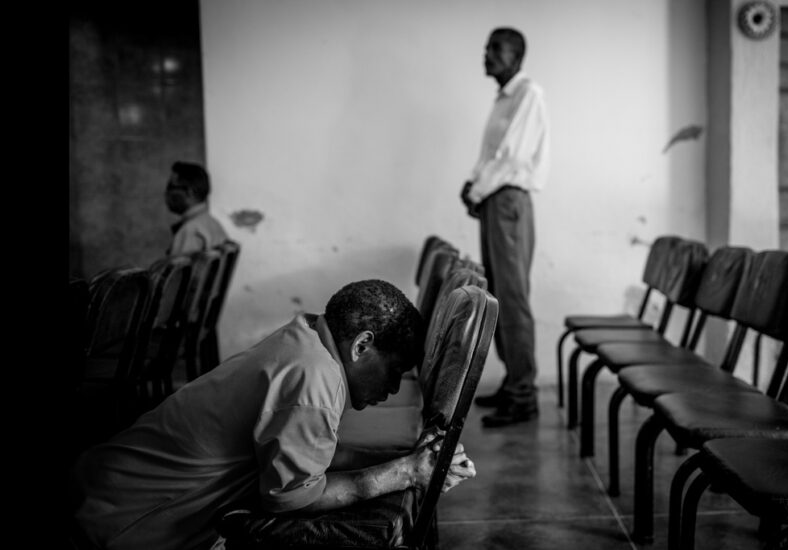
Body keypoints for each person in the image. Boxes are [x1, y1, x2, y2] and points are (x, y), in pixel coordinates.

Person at [72, 279, 476, 550]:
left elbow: (314, 456)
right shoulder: (314, 379)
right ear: (362, 346)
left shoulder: (309, 339)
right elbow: (291, 500)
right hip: (119, 520)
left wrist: (405, 460)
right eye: (393, 370)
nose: (392, 388)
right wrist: (405, 473)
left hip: (103, 483)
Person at [461, 27, 550, 427]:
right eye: (486, 48)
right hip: (495, 198)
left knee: (512, 297)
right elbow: (492, 154)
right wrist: (474, 186)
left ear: (517, 56)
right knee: (498, 293)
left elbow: (511, 158)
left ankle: (523, 395)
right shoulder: (504, 98)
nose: (487, 54)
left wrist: (477, 190)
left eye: (496, 48)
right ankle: (514, 381)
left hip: (508, 200)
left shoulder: (527, 93)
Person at [165, 161, 230, 256]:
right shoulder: (211, 222)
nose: (167, 193)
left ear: (189, 192)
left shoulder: (191, 230)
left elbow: (177, 270)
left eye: (170, 187)